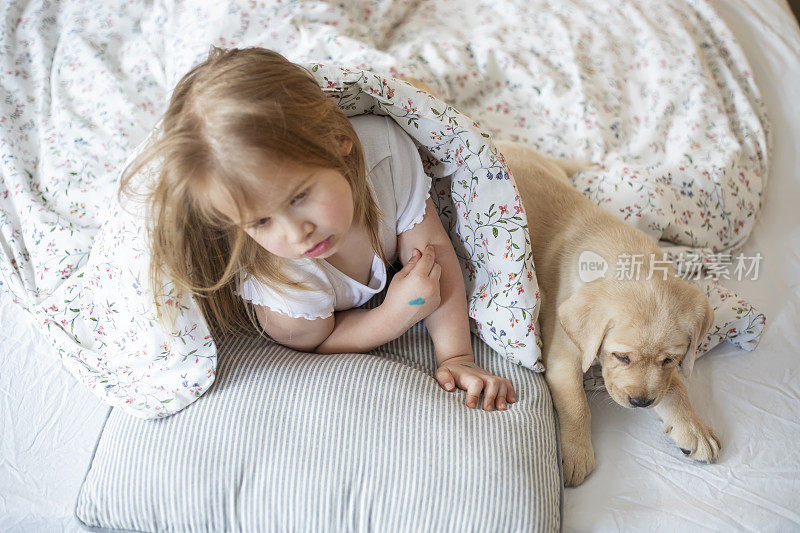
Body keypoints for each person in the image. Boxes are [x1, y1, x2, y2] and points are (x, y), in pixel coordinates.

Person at [121, 46, 515, 411]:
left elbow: (434, 256)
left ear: (338, 141)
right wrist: (393, 316)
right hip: (303, 314)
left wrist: (456, 356)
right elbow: (321, 341)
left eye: (298, 197)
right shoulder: (282, 278)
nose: (297, 233)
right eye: (261, 220)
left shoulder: (386, 156)